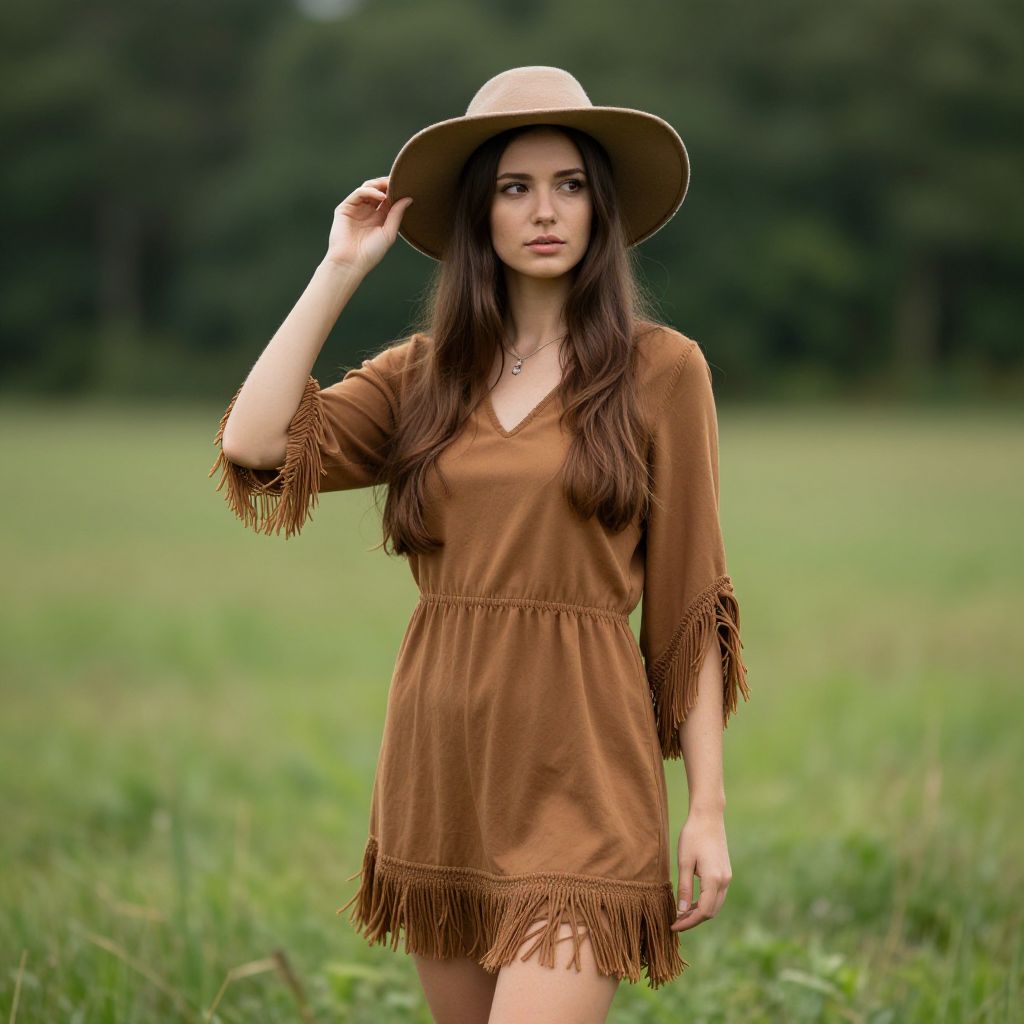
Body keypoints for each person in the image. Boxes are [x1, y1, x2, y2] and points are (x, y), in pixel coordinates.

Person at [209, 66, 751, 1024]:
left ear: (600, 208)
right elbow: (254, 443)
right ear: (479, 215)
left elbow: (692, 604)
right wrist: (340, 265)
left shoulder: (663, 371)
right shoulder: (421, 377)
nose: (546, 211)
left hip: (585, 776)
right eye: (515, 187)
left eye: (570, 185)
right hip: (442, 772)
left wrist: (705, 807)